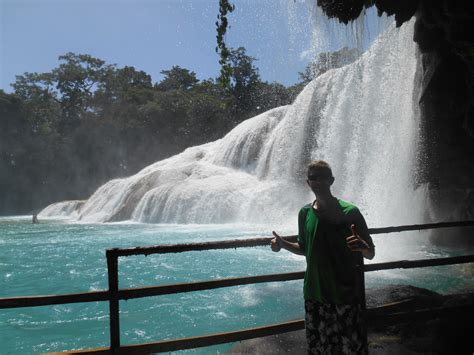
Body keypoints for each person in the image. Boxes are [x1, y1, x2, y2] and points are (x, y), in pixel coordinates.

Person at [271, 160, 375, 354]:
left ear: (331, 180)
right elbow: (304, 247)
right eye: (313, 177)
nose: (317, 181)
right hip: (314, 294)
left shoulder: (350, 212)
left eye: (322, 177)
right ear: (308, 182)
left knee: (350, 348)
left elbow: (371, 253)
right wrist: (283, 244)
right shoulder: (304, 213)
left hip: (343, 295)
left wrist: (363, 247)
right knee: (318, 348)